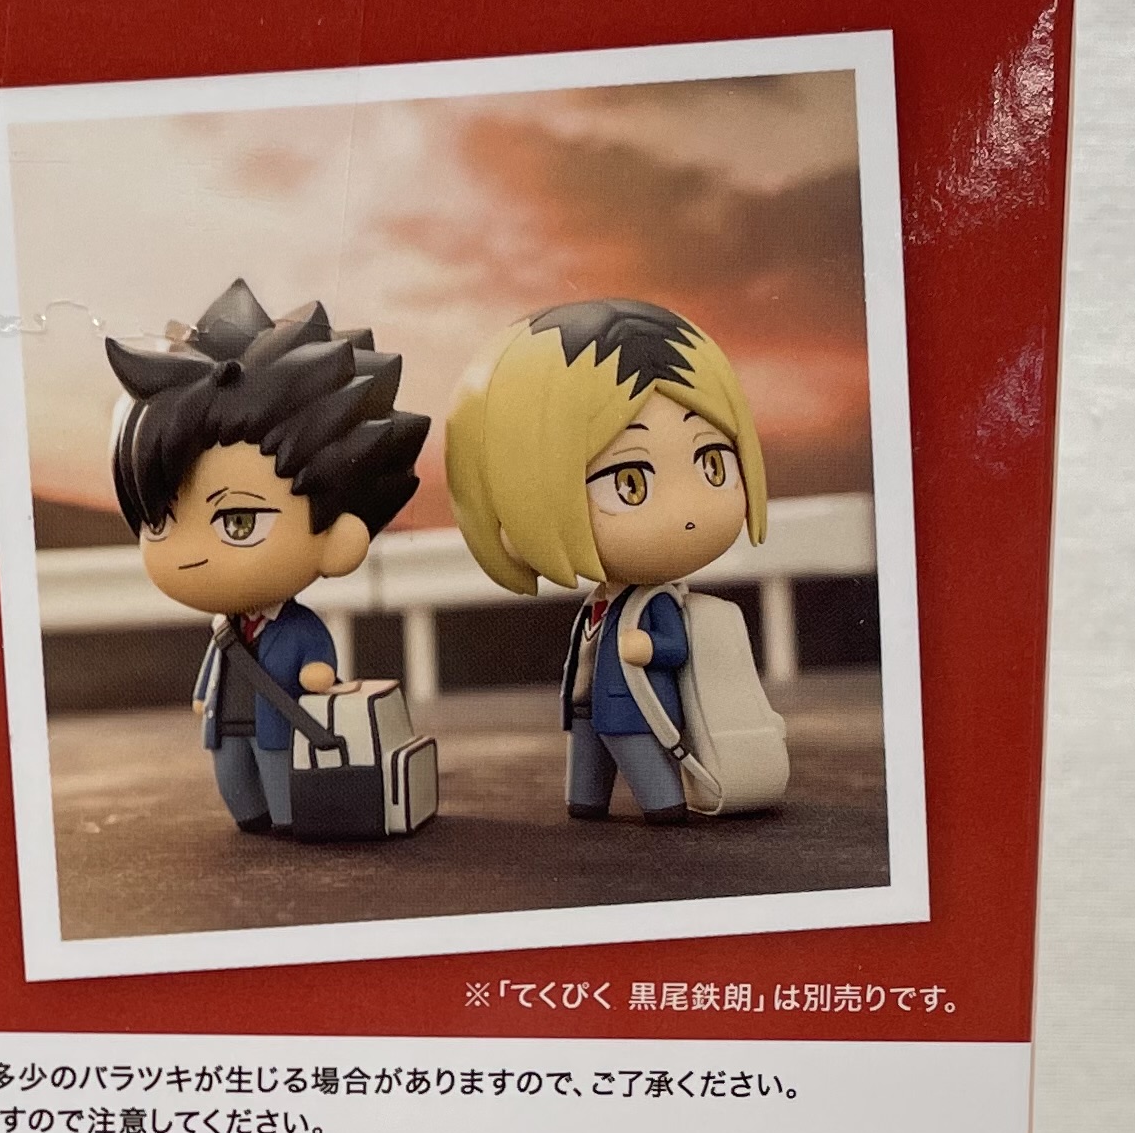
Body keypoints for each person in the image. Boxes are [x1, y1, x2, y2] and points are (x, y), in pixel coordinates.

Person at [106, 279, 429, 834]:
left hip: (280, 725)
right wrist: (203, 694)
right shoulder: (225, 627)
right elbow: (219, 661)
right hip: (225, 726)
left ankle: (283, 816)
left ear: (341, 536)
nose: (190, 555)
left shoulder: (296, 626)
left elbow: (315, 656)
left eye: (238, 522)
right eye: (159, 522)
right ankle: (251, 815)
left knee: (281, 781)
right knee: (235, 779)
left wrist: (317, 670)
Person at [445, 299, 770, 825]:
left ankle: (663, 804)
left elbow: (675, 645)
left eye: (712, 464)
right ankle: (589, 801)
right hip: (588, 708)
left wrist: (650, 648)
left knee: (649, 777)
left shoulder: (655, 602)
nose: (685, 512)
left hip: (636, 709)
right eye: (630, 483)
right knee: (586, 789)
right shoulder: (604, 599)